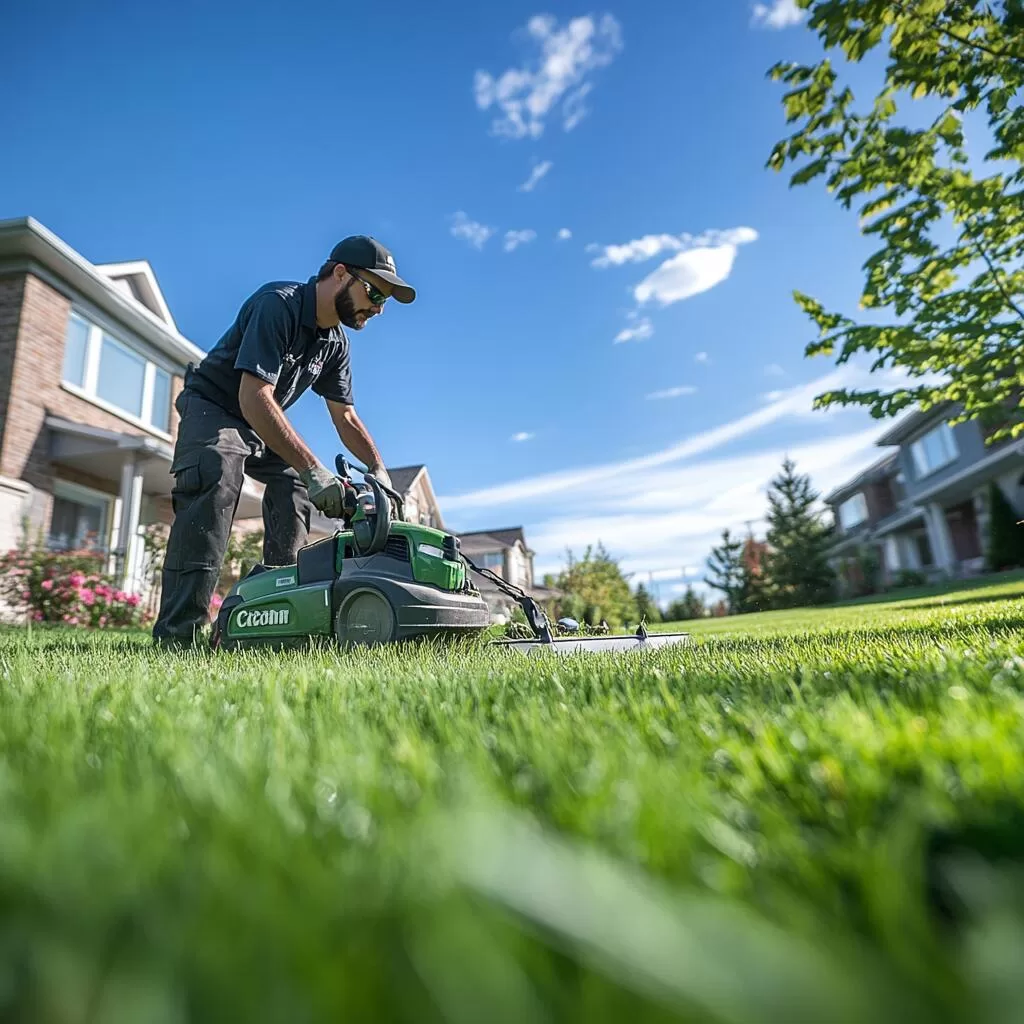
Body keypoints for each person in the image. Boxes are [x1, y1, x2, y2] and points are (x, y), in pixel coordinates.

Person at [152, 235, 416, 649]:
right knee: (217, 472)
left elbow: (344, 416)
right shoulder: (278, 304)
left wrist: (380, 474)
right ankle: (177, 635)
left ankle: (274, 619)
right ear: (341, 274)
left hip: (257, 417)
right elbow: (253, 396)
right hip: (215, 406)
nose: (379, 308)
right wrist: (314, 469)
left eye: (384, 300)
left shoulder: (336, 344)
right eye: (375, 291)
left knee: (293, 487)